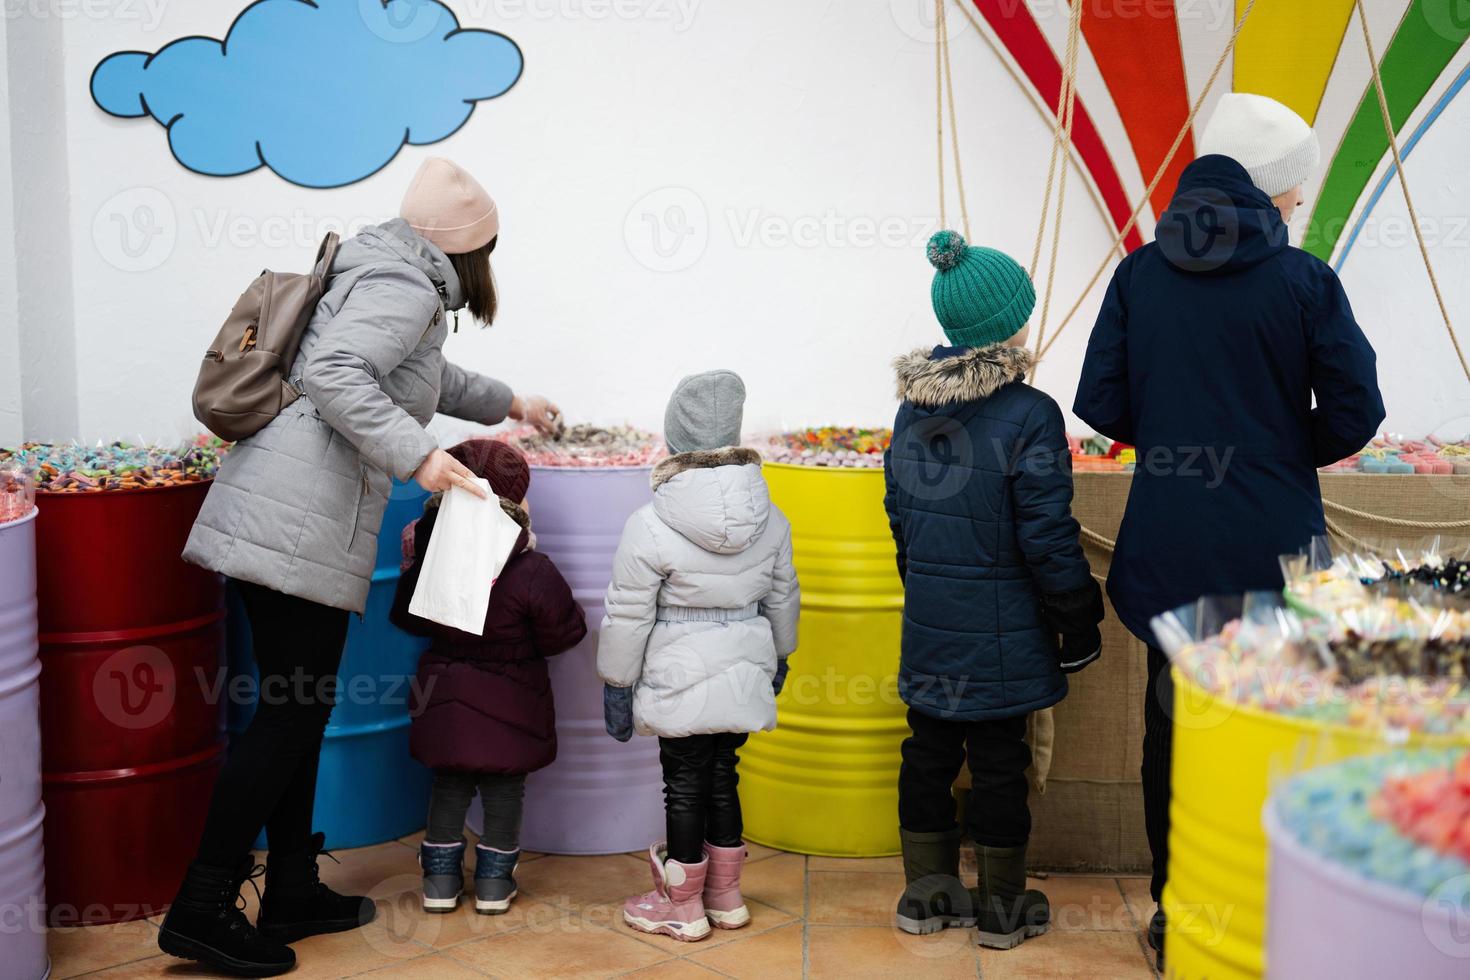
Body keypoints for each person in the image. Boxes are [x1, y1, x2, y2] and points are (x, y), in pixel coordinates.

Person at [164, 158, 562, 977]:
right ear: (469, 248)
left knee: (298, 710)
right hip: (295, 519)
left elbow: (414, 372)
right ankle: (201, 908)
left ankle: (294, 888)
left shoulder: (384, 269)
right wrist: (420, 457)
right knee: (286, 715)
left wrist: (507, 402)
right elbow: (335, 372)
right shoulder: (407, 287)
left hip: (288, 511)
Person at [1073, 92, 1385, 969]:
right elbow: (1358, 410)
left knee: (1175, 726)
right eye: (1293, 194)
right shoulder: (1305, 281)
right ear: (1270, 189)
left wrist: (1176, 438)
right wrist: (1284, 452)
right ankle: (1268, 909)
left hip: (1170, 539)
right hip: (1275, 545)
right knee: (1272, 724)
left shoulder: (1140, 273)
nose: (1294, 210)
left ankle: (1183, 912)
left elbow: (1100, 402)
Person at [884, 231, 1103, 949]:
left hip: (932, 621)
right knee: (1001, 761)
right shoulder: (1032, 414)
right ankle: (1003, 910)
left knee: (929, 752)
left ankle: (926, 895)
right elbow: (1047, 535)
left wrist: (926, 592)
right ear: (1009, 324)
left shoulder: (911, 411)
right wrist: (1077, 617)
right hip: (1005, 627)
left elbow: (901, 520)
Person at [597, 370, 800, 942]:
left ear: (674, 439)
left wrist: (616, 683)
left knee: (683, 783)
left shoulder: (650, 522)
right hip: (743, 665)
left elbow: (628, 613)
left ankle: (681, 906)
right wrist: (781, 657)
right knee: (724, 777)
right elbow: (784, 594)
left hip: (677, 673)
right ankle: (726, 897)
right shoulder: (772, 517)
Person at [390, 438, 586, 915]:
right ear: (513, 506)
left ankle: (439, 880)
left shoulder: (431, 562)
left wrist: (415, 565)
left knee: (449, 785)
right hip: (513, 702)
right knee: (505, 790)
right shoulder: (532, 570)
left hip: (445, 694)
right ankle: (495, 885)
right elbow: (566, 632)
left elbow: (407, 618)